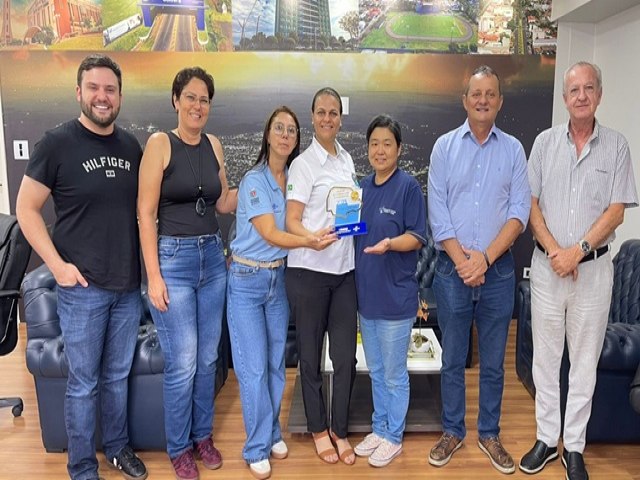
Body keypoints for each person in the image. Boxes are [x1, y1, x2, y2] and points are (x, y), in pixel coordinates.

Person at [15, 54, 148, 480]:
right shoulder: (56, 143)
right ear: (79, 92)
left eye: (110, 89)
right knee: (83, 384)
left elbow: (143, 212)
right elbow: (26, 209)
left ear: (120, 96)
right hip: (82, 289)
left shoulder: (131, 147)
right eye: (94, 88)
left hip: (127, 286)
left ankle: (117, 449)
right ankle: (82, 467)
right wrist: (57, 267)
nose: (102, 96)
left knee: (116, 377)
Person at [519, 61, 638, 480]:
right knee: (546, 360)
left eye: (589, 88)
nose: (582, 96)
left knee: (584, 363)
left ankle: (574, 447)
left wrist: (578, 251)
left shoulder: (617, 146)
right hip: (548, 267)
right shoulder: (544, 143)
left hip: (593, 271)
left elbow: (617, 211)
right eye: (574, 90)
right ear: (565, 97)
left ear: (599, 95)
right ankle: (545, 439)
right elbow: (530, 204)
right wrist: (557, 252)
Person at [427, 65, 531, 474]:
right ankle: (453, 430)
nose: (483, 100)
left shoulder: (514, 150)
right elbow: (438, 212)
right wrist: (463, 262)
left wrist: (484, 259)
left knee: (492, 363)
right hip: (452, 272)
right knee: (453, 359)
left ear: (499, 101)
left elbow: (519, 212)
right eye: (476, 94)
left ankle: (489, 433)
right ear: (465, 100)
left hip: (498, 272)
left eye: (490, 94)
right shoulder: (444, 147)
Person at [137, 66, 237, 480]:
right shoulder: (160, 144)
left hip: (212, 257)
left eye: (204, 99)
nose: (198, 105)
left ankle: (202, 437)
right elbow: (145, 213)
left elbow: (223, 203)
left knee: (209, 357)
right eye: (191, 97)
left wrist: (266, 182)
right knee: (183, 361)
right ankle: (178, 447)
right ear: (176, 100)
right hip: (173, 261)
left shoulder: (213, 145)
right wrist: (154, 276)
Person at [227, 106, 336, 480]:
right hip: (246, 280)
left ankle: (271, 432)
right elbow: (272, 233)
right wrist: (310, 241)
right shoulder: (254, 180)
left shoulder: (293, 178)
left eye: (291, 130)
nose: (286, 135)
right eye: (279, 128)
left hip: (277, 280)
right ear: (268, 135)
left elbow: (309, 214)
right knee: (254, 368)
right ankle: (255, 447)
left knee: (275, 364)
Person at [285, 87, 358, 465]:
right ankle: (318, 429)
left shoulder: (347, 159)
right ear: (312, 117)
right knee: (311, 358)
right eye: (321, 112)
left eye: (334, 112)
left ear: (340, 118)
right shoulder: (303, 164)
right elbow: (291, 221)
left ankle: (340, 430)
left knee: (345, 358)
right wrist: (311, 239)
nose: (328, 118)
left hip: (344, 273)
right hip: (309, 272)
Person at [352, 114, 427, 467]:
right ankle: (379, 428)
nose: (380, 150)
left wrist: (390, 244)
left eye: (387, 144)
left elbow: (417, 237)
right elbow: (351, 231)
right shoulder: (361, 187)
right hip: (366, 297)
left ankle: (393, 436)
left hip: (396, 298)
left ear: (399, 148)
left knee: (395, 374)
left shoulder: (408, 187)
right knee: (377, 371)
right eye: (374, 144)